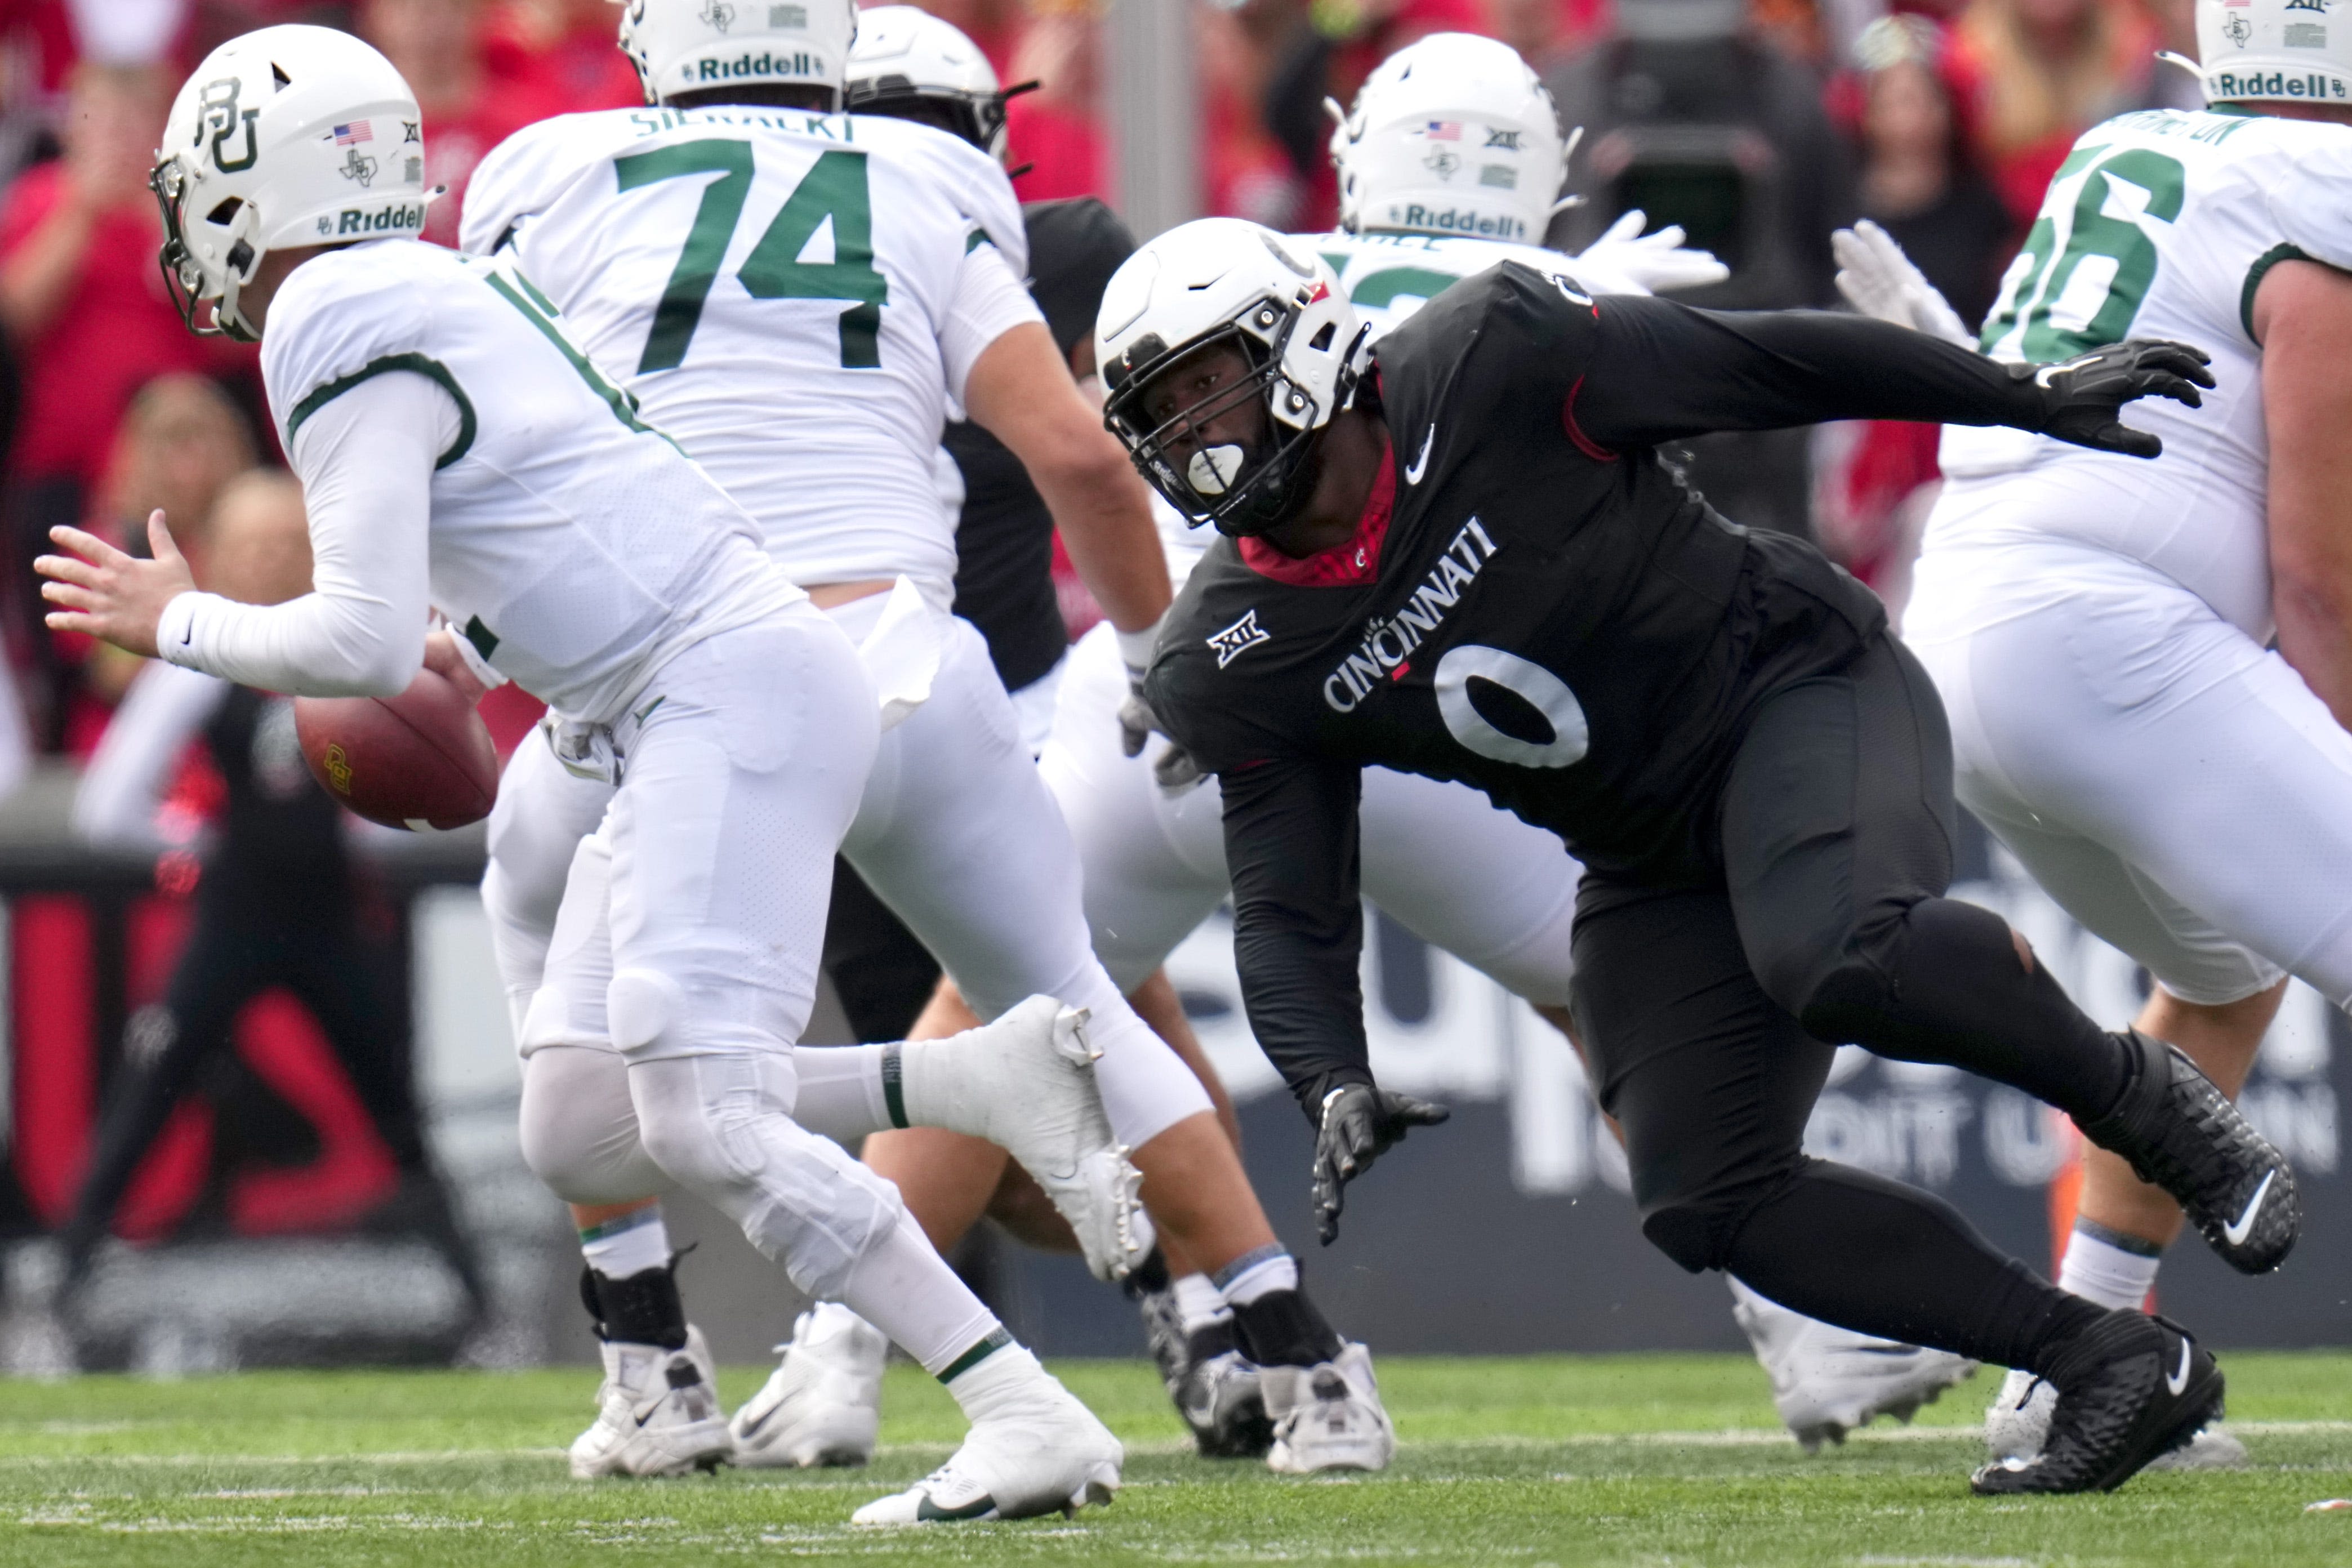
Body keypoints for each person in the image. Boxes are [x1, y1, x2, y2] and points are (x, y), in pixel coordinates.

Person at [40, 24, 1125, 1525]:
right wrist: (470, 646)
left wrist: (180, 625)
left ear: (252, 180)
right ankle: (961, 1079)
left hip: (716, 689)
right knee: (578, 1117)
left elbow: (357, 649)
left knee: (696, 1114)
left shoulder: (337, 312)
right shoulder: (424, 282)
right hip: (682, 690)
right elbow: (556, 520)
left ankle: (1019, 1409)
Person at [1101, 210, 2295, 1494]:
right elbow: (1287, 903)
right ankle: (2112, 1363)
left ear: (1300, 344)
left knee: (1837, 953)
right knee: (1701, 1193)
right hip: (1645, 849)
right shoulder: (1228, 651)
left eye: (1209, 386)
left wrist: (2016, 395)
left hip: (1793, 687)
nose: (1192, 437)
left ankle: (2143, 1099)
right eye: (1161, 414)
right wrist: (1329, 1073)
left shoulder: (1495, 354)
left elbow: (1769, 365)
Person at [461, 0, 1393, 1484]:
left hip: (703, 686)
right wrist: (1165, 670)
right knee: (1077, 994)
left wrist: (469, 636)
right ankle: (1300, 1365)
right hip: (920, 664)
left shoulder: (550, 171)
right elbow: (1081, 450)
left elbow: (490, 453)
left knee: (595, 1055)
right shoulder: (921, 175)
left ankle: (662, 1346)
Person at [1839, 0, 2352, 1472]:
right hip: (2106, 637)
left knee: (2224, 974)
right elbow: (2320, 580)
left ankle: (2082, 1361)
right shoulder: (2322, 198)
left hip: (1972, 634)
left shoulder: (2131, 142)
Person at [57, 469, 487, 1328]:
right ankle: (67, 1271)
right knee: (151, 1089)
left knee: (395, 1104)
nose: (275, 561)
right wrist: (206, 849)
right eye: (256, 547)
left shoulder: (354, 652)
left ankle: (475, 1293)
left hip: (330, 919)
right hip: (233, 915)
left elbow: (414, 794)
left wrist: (350, 832)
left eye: (293, 545)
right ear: (221, 557)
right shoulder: (194, 662)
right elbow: (106, 809)